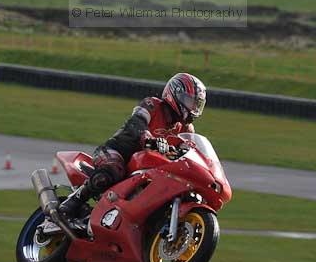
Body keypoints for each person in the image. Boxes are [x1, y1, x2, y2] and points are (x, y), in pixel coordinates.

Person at [58, 72, 207, 223]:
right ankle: (72, 203)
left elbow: (189, 152)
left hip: (150, 168)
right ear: (174, 93)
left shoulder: (187, 130)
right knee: (112, 171)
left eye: (196, 104)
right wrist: (148, 138)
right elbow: (136, 122)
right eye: (189, 101)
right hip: (117, 152)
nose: (193, 108)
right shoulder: (152, 105)